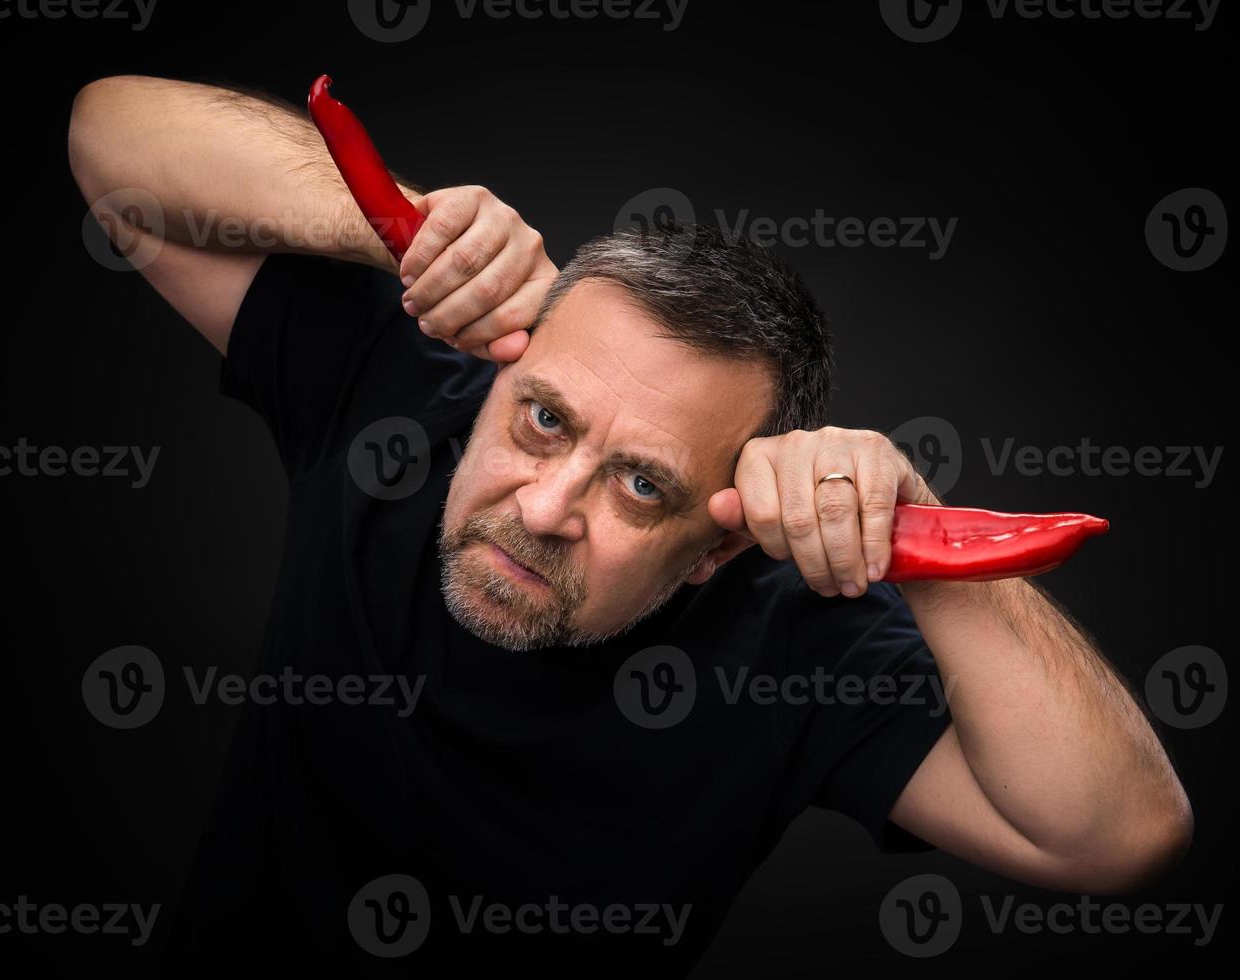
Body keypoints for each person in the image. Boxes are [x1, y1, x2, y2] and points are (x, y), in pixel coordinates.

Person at [68, 75, 1193, 976]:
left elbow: (1115, 836)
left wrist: (926, 536)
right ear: (506, 375)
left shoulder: (791, 638)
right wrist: (402, 240)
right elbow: (108, 137)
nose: (546, 508)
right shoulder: (400, 395)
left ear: (719, 542)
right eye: (545, 419)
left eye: (642, 485)